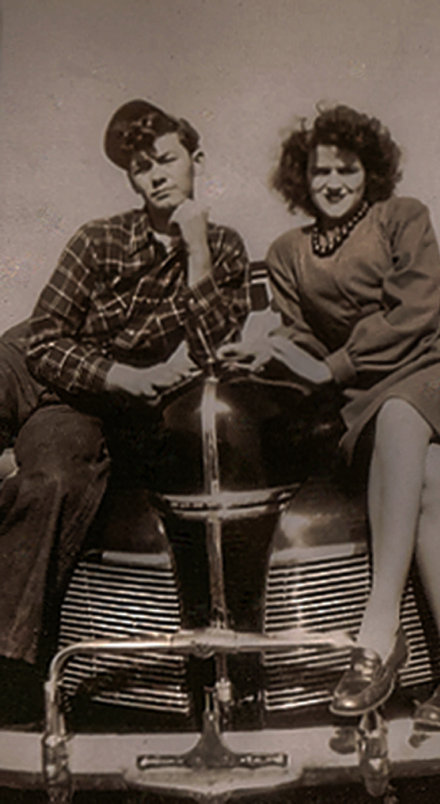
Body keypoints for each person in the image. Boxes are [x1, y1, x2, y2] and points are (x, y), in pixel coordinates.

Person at [221, 104, 440, 730]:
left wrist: (334, 368)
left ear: (370, 172)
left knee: (400, 411)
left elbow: (416, 311)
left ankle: (378, 629)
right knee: (433, 478)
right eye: (320, 170)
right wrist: (270, 348)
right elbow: (305, 338)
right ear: (300, 178)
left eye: (347, 169)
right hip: (376, 398)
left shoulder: (402, 217)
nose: (333, 182)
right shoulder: (287, 252)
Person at [0, 100, 250, 688]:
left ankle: (7, 674)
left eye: (166, 159)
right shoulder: (99, 240)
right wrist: (121, 376)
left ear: (196, 159)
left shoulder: (226, 249)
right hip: (50, 368)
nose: (157, 175)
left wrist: (197, 254)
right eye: (142, 168)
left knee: (54, 480)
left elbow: (215, 351)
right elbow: (44, 341)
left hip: (88, 408)